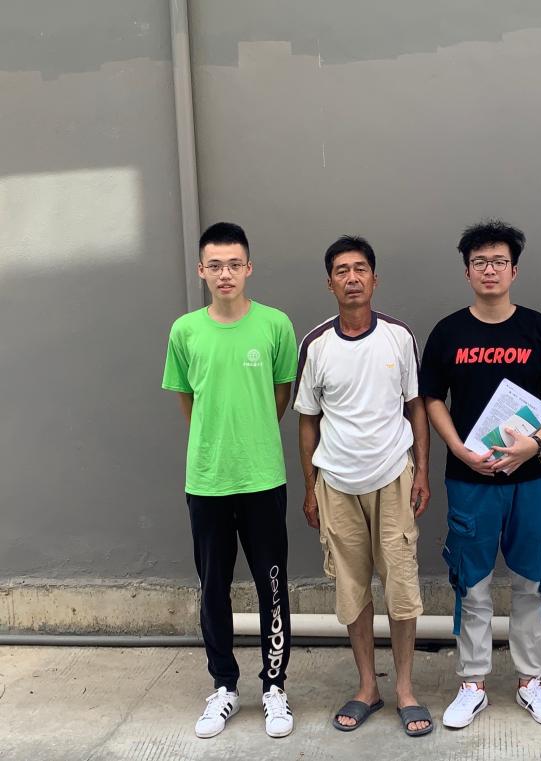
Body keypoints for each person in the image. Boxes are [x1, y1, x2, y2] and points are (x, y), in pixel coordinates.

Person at [419, 219, 541, 729]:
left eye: (499, 262)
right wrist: (457, 448)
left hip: (530, 479)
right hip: (470, 479)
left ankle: (532, 681)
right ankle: (472, 682)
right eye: (480, 262)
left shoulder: (539, 329)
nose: (490, 270)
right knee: (473, 583)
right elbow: (431, 398)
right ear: (467, 272)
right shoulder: (448, 332)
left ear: (514, 270)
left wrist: (536, 443)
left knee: (533, 581)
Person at [162, 222, 297, 739]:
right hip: (207, 481)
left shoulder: (275, 325)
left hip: (262, 478)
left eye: (234, 264)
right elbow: (188, 400)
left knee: (272, 586)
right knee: (212, 587)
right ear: (202, 270)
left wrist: (251, 434)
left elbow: (280, 395)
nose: (225, 274)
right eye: (215, 265)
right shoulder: (185, 331)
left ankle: (274, 687)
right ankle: (224, 685)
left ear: (249, 268)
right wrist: (216, 441)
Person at [294, 235, 433, 737]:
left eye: (360, 269)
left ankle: (405, 689)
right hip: (336, 483)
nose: (351, 278)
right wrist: (310, 487)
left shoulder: (398, 337)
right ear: (329, 283)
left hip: (393, 477)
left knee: (401, 587)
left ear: (374, 278)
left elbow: (416, 407)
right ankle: (367, 686)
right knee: (352, 590)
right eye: (341, 271)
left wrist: (422, 470)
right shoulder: (316, 345)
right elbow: (307, 420)